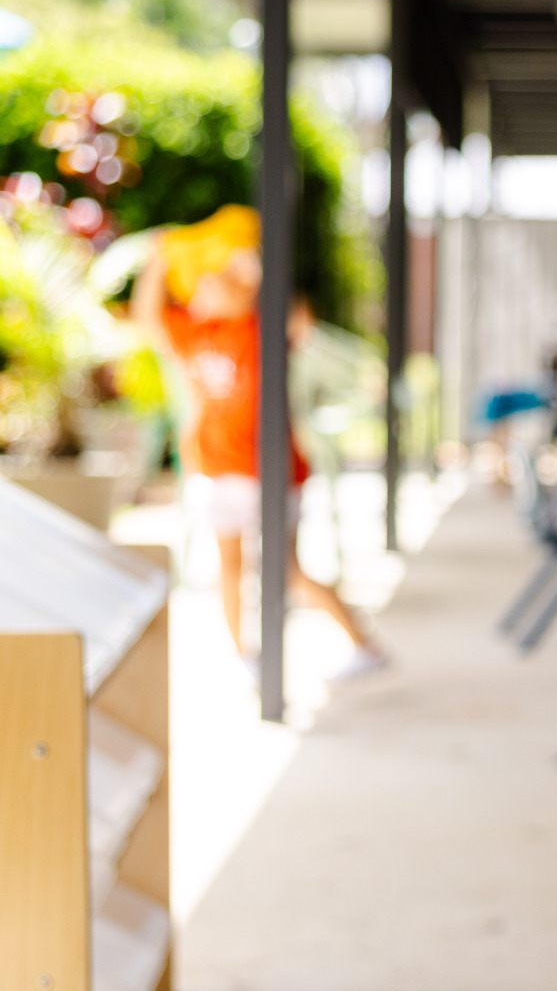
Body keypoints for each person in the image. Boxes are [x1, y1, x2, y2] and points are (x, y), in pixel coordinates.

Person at [130, 205, 387, 681]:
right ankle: (243, 657)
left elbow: (298, 317)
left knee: (287, 570)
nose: (204, 289)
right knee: (229, 568)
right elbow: (147, 316)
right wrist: (159, 260)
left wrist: (251, 266)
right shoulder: (195, 333)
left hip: (270, 471)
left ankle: (362, 645)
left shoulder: (260, 327)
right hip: (217, 469)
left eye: (217, 280)